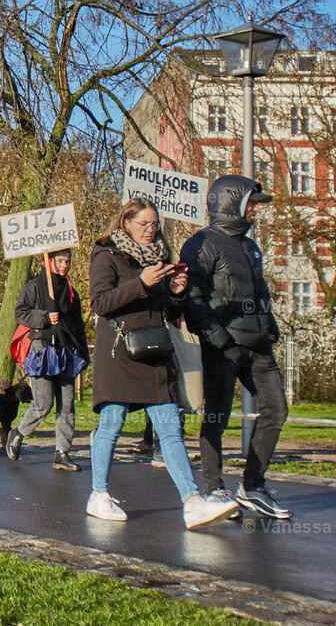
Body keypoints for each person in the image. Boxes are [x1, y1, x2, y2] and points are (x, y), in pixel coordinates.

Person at [87, 199, 238, 529]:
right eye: (144, 224)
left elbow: (168, 312)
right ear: (125, 222)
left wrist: (176, 292)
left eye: (155, 225)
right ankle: (99, 495)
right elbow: (100, 302)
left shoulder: (161, 256)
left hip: (155, 352)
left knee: (170, 427)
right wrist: (141, 282)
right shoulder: (105, 253)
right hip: (118, 353)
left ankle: (192, 502)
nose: (150, 230)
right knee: (112, 422)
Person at [180, 175, 292, 519]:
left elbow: (260, 295)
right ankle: (214, 489)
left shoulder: (250, 246)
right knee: (217, 417)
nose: (257, 209)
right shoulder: (201, 244)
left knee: (277, 410)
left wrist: (270, 329)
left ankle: (252, 487)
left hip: (258, 348)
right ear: (231, 203)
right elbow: (191, 298)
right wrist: (217, 338)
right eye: (252, 203)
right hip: (223, 349)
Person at [7, 248, 89, 471]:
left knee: (67, 405)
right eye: (60, 261)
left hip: (66, 350)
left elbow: (78, 325)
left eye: (68, 261)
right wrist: (43, 316)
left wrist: (83, 354)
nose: (65, 265)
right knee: (43, 404)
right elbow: (20, 312)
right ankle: (18, 433)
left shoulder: (71, 290)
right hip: (42, 349)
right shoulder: (33, 286)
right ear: (48, 261)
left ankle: (62, 452)